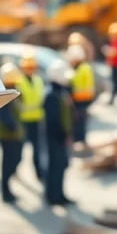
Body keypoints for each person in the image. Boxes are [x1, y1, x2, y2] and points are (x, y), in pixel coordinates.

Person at [43, 59, 75, 206]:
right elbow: (53, 120)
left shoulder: (60, 92)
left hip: (61, 137)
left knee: (61, 166)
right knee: (55, 167)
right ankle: (52, 196)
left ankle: (60, 194)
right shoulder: (51, 95)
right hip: (55, 138)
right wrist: (63, 135)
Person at [0, 63, 26, 203]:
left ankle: (7, 190)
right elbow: (4, 115)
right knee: (8, 163)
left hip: (15, 135)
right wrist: (13, 128)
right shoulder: (3, 95)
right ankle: (5, 192)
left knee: (15, 160)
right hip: (8, 136)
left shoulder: (13, 93)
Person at [15, 54, 47, 181]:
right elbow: (16, 104)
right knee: (19, 151)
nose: (30, 70)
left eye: (32, 67)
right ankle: (15, 171)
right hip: (23, 121)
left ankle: (39, 173)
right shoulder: (19, 82)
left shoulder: (38, 80)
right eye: (28, 68)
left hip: (37, 120)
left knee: (37, 151)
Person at [67, 44, 96, 149]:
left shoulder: (82, 69)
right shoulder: (83, 67)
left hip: (81, 99)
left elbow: (75, 81)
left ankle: (80, 140)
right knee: (79, 121)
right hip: (80, 99)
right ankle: (79, 139)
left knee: (80, 121)